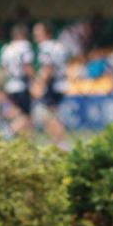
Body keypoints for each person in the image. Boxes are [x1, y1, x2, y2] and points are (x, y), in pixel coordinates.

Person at [32, 21, 69, 149]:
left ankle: (62, 144)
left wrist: (38, 84)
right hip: (61, 83)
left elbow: (47, 67)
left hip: (52, 85)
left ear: (46, 33)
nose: (34, 34)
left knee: (44, 114)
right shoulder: (58, 45)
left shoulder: (45, 46)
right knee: (51, 115)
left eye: (38, 31)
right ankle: (58, 143)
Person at [0, 24, 35, 138]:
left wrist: (0, 88)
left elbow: (1, 70)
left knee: (20, 115)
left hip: (9, 85)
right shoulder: (25, 46)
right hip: (22, 85)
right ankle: (8, 132)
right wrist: (34, 82)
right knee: (26, 116)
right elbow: (27, 67)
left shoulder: (6, 48)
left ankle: (26, 142)